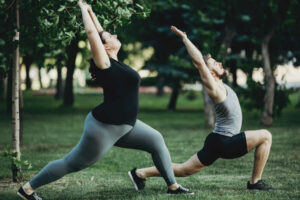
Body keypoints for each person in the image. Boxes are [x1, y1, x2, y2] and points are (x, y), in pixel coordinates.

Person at [17, 4, 193, 200]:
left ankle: (173, 186)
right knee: (72, 163)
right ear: (105, 47)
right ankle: (27, 190)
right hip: (104, 128)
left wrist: (92, 12)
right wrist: (82, 7)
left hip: (126, 124)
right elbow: (93, 34)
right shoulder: (104, 64)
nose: (115, 36)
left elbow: (99, 31)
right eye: (111, 37)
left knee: (156, 140)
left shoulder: (113, 61)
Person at [129, 26, 273, 191]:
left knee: (184, 169)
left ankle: (139, 173)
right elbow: (199, 64)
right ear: (210, 74)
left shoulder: (221, 84)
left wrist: (208, 59)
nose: (219, 63)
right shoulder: (215, 90)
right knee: (265, 136)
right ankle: (255, 182)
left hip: (216, 140)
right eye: (215, 64)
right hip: (225, 142)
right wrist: (185, 38)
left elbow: (204, 62)